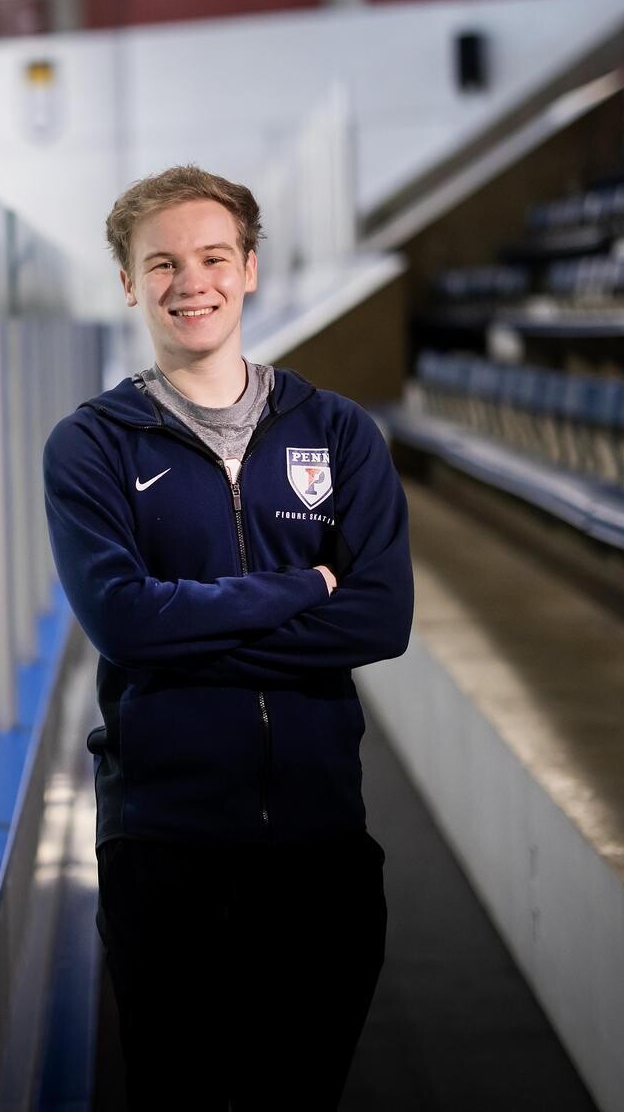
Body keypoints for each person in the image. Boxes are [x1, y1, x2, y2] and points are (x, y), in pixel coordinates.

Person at [42, 164, 413, 1110]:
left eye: (212, 257)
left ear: (249, 269)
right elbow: (120, 620)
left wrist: (180, 629)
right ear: (129, 282)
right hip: (166, 847)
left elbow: (381, 617)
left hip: (321, 840)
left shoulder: (338, 432)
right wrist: (301, 589)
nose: (189, 282)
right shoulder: (92, 445)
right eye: (160, 262)